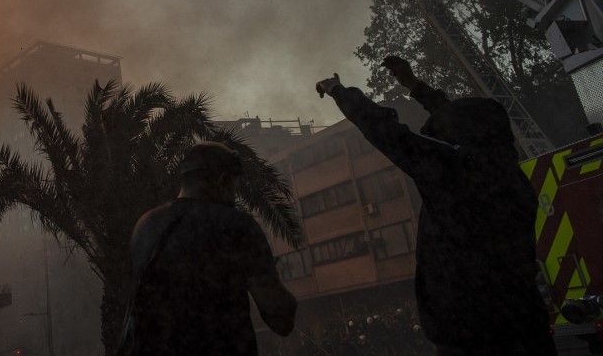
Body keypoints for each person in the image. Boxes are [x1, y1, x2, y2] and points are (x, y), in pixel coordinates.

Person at [315, 56, 556, 356]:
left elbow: (386, 131)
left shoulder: (454, 179)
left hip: (473, 336)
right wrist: (415, 86)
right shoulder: (508, 178)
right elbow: (459, 122)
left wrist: (338, 90)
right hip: (525, 325)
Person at [123, 141, 296, 356]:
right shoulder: (235, 225)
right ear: (223, 181)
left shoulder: (146, 225)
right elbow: (280, 318)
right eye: (234, 188)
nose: (234, 196)